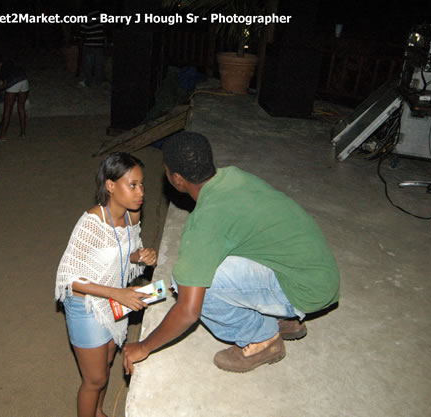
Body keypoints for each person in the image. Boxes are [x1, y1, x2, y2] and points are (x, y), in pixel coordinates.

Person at [123, 132, 340, 374]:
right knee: (213, 259)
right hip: (317, 271)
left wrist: (144, 347)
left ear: (177, 178)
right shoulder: (235, 177)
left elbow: (188, 311)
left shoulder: (205, 222)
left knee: (189, 284)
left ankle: (262, 339)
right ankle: (283, 319)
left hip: (305, 290)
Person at [56, 152, 157, 417]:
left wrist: (140, 256)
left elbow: (124, 258)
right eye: (132, 184)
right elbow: (68, 278)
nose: (140, 192)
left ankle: (98, 411)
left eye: (142, 184)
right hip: (86, 303)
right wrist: (117, 293)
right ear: (111, 186)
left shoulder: (132, 216)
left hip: (114, 298)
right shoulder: (92, 222)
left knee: (109, 360)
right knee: (95, 380)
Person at [0, 55, 29, 140]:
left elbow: (4, 85)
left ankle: (2, 135)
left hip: (14, 83)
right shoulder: (11, 64)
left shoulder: (3, 69)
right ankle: (23, 133)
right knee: (21, 107)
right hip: (24, 80)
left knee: (7, 110)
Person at [78, 6, 106, 87]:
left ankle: (88, 82)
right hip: (99, 44)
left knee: (88, 65)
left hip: (89, 44)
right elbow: (105, 29)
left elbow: (83, 31)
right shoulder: (102, 16)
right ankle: (99, 82)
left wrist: (80, 42)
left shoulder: (88, 16)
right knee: (98, 64)